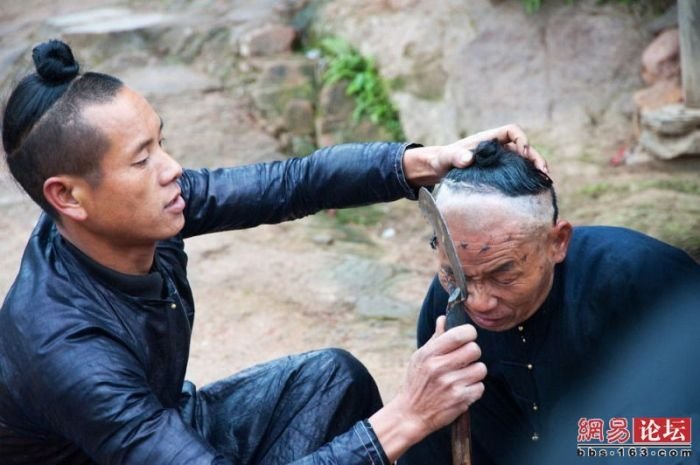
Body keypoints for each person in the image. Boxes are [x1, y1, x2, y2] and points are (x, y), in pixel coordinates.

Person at [0, 39, 543, 465]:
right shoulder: (65, 349)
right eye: (142, 160)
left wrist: (427, 160)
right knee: (378, 428)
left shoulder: (144, 215)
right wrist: (405, 418)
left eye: (161, 143)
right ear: (67, 196)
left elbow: (293, 182)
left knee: (332, 379)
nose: (171, 170)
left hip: (170, 425)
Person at [399, 140, 700, 465]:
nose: (480, 302)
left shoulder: (644, 276)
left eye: (503, 274)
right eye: (457, 275)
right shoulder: (444, 302)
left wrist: (583, 441)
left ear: (558, 242)